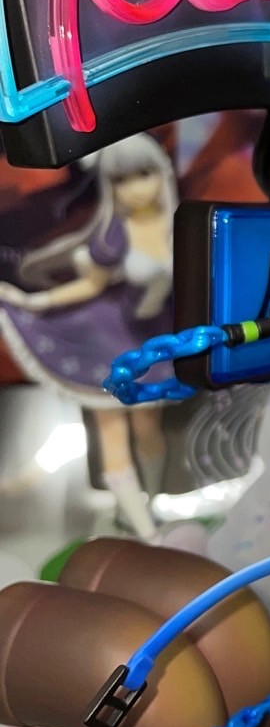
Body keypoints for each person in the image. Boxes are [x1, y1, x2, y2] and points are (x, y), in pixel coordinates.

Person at [0, 134, 176, 540]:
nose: (135, 189)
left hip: (155, 342)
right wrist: (34, 301)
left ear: (161, 172)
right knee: (113, 435)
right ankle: (146, 533)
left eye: (143, 174)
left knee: (149, 431)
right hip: (105, 341)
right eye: (120, 180)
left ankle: (149, 507)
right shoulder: (115, 233)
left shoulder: (180, 224)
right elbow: (90, 285)